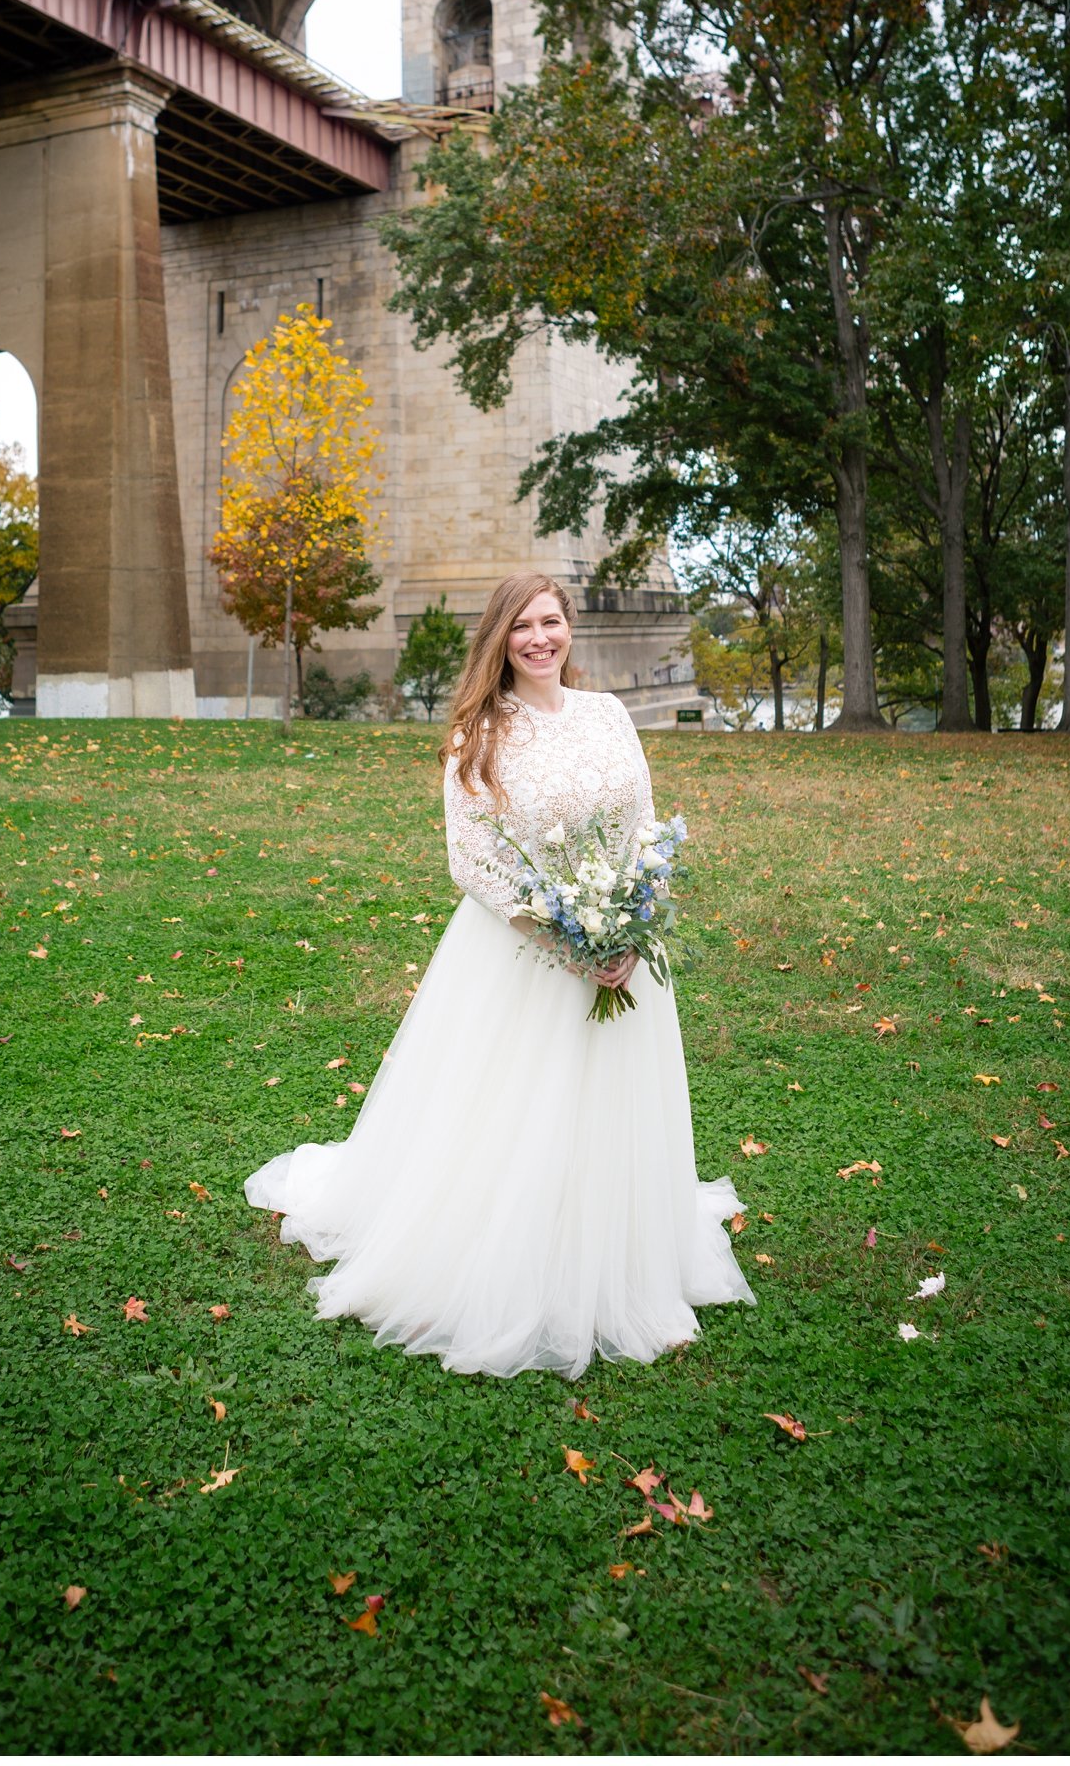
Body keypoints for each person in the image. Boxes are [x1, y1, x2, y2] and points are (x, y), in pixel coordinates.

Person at [244, 570, 755, 1377]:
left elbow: (644, 824)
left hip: (626, 953)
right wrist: (570, 942)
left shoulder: (609, 714)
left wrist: (631, 922)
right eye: (522, 627)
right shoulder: (478, 734)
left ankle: (625, 1261)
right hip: (527, 955)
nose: (540, 638)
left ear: (570, 628)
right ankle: (520, 1259)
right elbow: (472, 860)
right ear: (499, 639)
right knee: (524, 1111)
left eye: (552, 621)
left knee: (614, 1107)